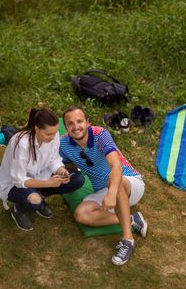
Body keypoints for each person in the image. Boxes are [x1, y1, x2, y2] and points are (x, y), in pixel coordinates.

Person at [59, 107, 148, 266]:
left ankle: (128, 240)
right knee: (81, 215)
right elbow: (68, 165)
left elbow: (116, 167)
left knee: (115, 181)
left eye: (79, 121)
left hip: (129, 183)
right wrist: (65, 173)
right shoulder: (63, 144)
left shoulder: (100, 135)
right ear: (65, 127)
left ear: (88, 122)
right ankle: (132, 219)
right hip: (103, 190)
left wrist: (112, 193)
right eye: (70, 123)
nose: (76, 126)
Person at [0, 108, 84, 231]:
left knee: (77, 179)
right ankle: (19, 210)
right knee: (34, 201)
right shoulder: (21, 144)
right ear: (36, 129)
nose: (53, 138)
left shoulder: (53, 135)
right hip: (14, 184)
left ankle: (40, 196)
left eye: (55, 133)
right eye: (48, 134)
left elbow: (53, 159)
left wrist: (61, 170)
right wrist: (49, 183)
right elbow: (19, 180)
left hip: (39, 176)